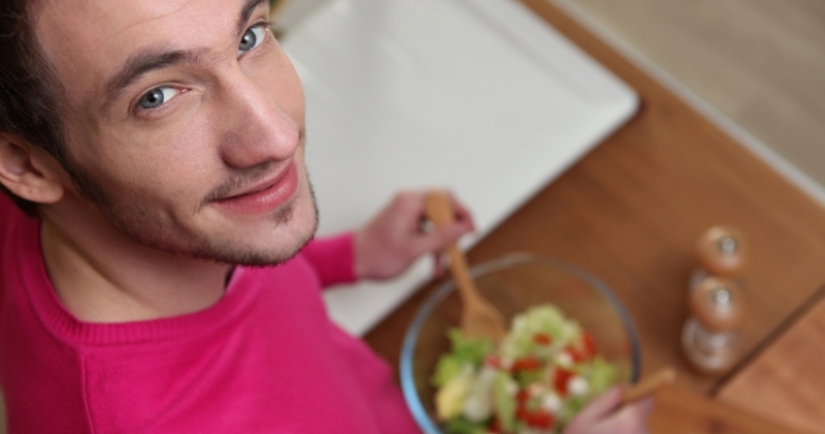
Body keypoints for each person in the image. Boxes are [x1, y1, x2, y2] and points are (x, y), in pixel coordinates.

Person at [0, 0, 653, 432]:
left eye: (250, 36)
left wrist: (351, 256)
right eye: (158, 96)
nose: (277, 136)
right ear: (26, 162)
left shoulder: (136, 222)